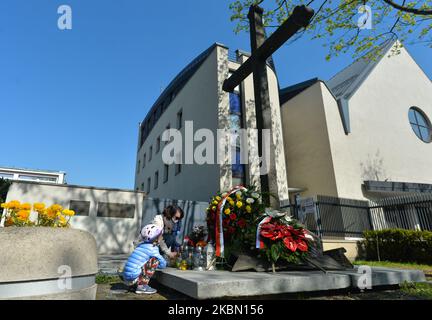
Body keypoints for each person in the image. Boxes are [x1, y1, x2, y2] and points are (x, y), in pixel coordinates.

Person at [122, 224, 167, 294]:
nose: (162, 237)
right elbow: (163, 264)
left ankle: (135, 285)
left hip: (126, 278)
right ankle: (142, 286)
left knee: (141, 263)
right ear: (156, 238)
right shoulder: (152, 248)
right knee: (155, 261)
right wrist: (158, 266)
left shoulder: (141, 245)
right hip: (133, 276)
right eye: (161, 236)